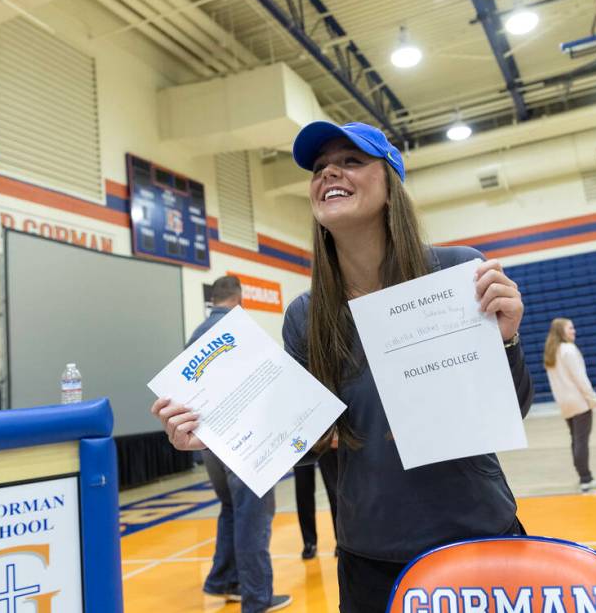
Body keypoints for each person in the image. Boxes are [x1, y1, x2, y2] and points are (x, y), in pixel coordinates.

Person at [152, 121, 534, 613]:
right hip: (369, 555)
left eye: (352, 160)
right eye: (319, 167)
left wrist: (506, 340)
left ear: (391, 185)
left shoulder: (459, 271)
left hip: (477, 538)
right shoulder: (306, 315)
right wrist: (224, 434)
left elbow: (511, 409)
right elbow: (308, 444)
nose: (330, 170)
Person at [183, 276, 291, 613]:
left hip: (208, 440)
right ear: (239, 299)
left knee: (231, 508)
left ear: (214, 299)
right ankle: (256, 598)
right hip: (242, 441)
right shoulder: (240, 330)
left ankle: (223, 579)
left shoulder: (196, 336)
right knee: (253, 514)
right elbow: (263, 385)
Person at [543, 318, 596, 492]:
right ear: (561, 331)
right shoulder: (569, 350)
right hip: (578, 401)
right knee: (581, 441)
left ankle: (583, 476)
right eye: (570, 328)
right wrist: (592, 398)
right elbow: (580, 378)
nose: (574, 331)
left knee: (575, 440)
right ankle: (586, 479)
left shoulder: (552, 351)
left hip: (564, 403)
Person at [293, 448, 338, 559]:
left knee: (335, 489)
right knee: (303, 489)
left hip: (325, 435)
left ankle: (341, 539)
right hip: (299, 437)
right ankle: (309, 542)